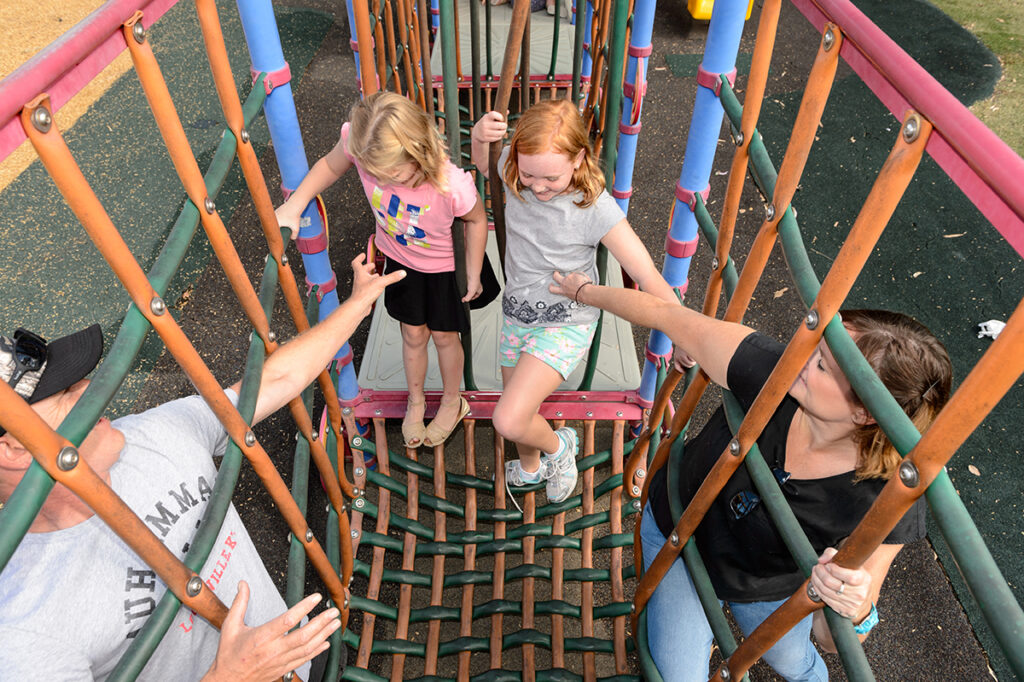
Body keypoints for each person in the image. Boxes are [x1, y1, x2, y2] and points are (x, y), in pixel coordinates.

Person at [0, 255, 406, 682]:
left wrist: (360, 303)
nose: (93, 387)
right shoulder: (23, 626)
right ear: (11, 447)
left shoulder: (148, 433)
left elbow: (275, 379)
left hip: (301, 657)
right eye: (66, 390)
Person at [548, 272, 953, 681]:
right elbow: (665, 314)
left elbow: (831, 639)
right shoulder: (773, 371)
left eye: (823, 366)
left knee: (800, 666)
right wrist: (583, 291)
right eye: (818, 347)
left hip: (768, 581)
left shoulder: (890, 494)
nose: (802, 353)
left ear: (864, 413)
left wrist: (854, 604)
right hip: (683, 537)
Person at [470, 99, 686, 504]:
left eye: (549, 177)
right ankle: (532, 466)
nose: (536, 186)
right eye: (528, 172)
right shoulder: (518, 175)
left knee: (509, 416)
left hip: (564, 321)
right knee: (520, 408)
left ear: (579, 159)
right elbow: (487, 165)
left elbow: (644, 272)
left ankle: (559, 448)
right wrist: (479, 137)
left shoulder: (594, 208)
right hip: (517, 315)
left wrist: (685, 332)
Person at [276, 91, 488, 449]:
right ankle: (416, 400)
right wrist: (295, 203)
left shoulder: (449, 183)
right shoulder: (363, 144)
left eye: (391, 174)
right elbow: (330, 165)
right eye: (373, 172)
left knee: (445, 338)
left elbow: (477, 219)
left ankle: (453, 400)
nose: (380, 178)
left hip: (443, 270)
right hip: (401, 263)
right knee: (413, 336)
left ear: (418, 153)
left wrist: (473, 271)